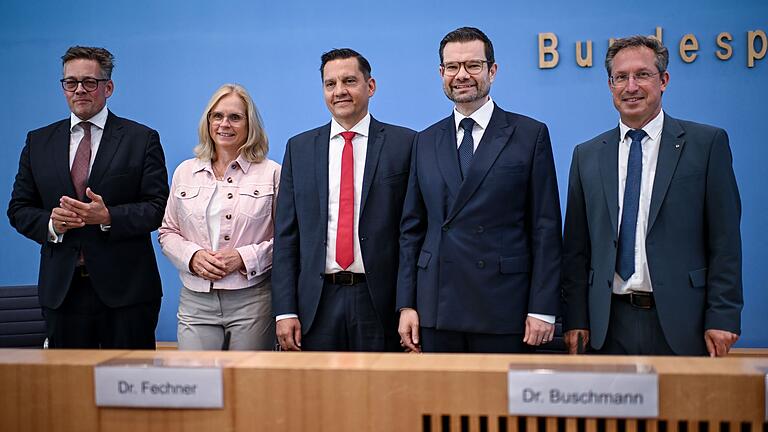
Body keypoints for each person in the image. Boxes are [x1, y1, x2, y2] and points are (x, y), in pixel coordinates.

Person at [561, 35, 742, 356]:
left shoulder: (706, 144)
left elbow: (725, 241)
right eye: (621, 77)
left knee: (683, 409)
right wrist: (575, 318)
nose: (631, 86)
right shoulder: (586, 155)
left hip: (682, 323)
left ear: (664, 80)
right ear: (610, 85)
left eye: (642, 74)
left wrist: (723, 315)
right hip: (606, 326)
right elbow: (576, 249)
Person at [397, 27, 562, 353]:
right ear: (441, 73)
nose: (462, 75)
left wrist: (542, 307)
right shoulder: (425, 140)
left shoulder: (529, 135)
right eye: (452, 67)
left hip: (504, 305)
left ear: (492, 70)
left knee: (500, 404)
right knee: (440, 402)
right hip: (436, 307)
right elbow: (411, 230)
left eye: (473, 65)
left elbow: (545, 228)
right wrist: (407, 305)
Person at [7, 46, 168, 349]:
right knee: (67, 392)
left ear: (108, 88)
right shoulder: (38, 141)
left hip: (127, 293)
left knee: (129, 389)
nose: (79, 89)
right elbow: (19, 209)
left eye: (89, 82)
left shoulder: (141, 139)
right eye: (71, 82)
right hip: (62, 291)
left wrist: (108, 217)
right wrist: (52, 224)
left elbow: (157, 208)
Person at [272, 48, 416, 351]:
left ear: (370, 86)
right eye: (330, 84)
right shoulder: (299, 149)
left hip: (380, 302)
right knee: (317, 396)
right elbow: (286, 237)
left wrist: (408, 304)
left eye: (349, 81)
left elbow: (412, 234)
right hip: (316, 303)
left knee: (381, 395)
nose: (340, 91)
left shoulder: (406, 144)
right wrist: (285, 310)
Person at [158, 84, 279, 351]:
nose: (225, 124)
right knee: (196, 385)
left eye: (235, 117)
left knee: (248, 386)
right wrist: (192, 256)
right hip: (195, 300)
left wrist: (243, 257)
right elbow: (167, 231)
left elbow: (287, 240)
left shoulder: (272, 173)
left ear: (250, 125)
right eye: (218, 116)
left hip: (253, 300)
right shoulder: (185, 172)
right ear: (208, 121)